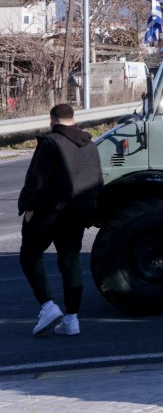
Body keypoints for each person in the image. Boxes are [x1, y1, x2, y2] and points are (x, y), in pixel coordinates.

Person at [18, 103, 103, 337]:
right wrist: (92, 212)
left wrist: (29, 207)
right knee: (70, 261)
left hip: (49, 212)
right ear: (73, 119)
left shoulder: (50, 143)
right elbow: (97, 180)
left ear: (52, 120)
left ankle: (48, 306)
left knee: (29, 256)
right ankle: (71, 320)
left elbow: (37, 178)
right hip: (77, 213)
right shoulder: (90, 145)